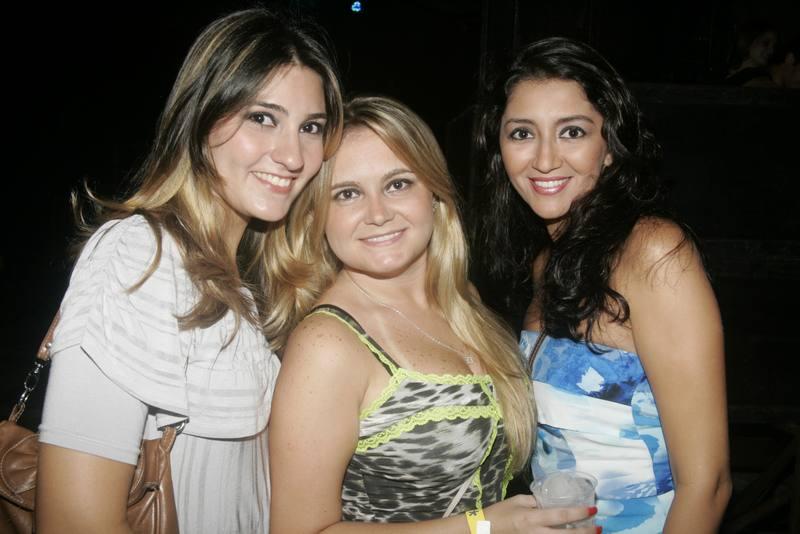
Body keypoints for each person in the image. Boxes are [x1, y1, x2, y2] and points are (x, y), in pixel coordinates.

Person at [34, 8, 343, 534]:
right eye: (262, 118)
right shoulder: (141, 255)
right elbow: (73, 522)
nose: (293, 155)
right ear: (201, 119)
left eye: (310, 127)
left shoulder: (242, 282)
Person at [269, 96, 598, 533]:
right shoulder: (328, 344)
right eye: (347, 194)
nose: (378, 214)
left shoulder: (463, 304)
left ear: (434, 193)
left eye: (398, 184)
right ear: (317, 215)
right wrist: (482, 527)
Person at [475, 37, 732, 533]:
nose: (544, 159)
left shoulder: (653, 251)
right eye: (522, 133)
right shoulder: (546, 262)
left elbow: (709, 484)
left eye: (572, 131)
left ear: (610, 147)